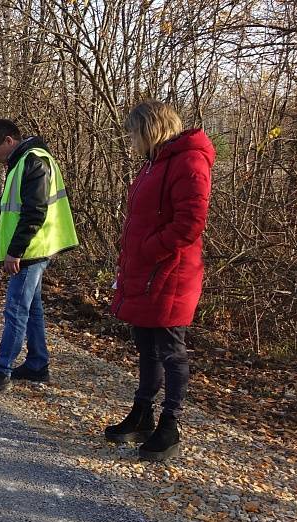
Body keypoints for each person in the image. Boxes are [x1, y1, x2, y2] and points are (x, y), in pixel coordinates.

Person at [105, 101, 214, 462]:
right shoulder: (153, 164)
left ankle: (171, 423)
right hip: (144, 271)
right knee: (146, 344)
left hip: (170, 273)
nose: (131, 140)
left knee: (170, 348)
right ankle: (142, 414)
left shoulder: (189, 161)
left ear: (150, 128)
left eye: (135, 132)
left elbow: (190, 223)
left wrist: (151, 250)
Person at [0, 119, 78, 393]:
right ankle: (37, 364)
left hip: (32, 249)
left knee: (16, 308)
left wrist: (15, 250)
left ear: (9, 141)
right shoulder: (20, 162)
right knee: (32, 308)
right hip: (30, 247)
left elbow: (34, 212)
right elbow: (11, 212)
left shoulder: (33, 161)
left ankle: (1, 370)